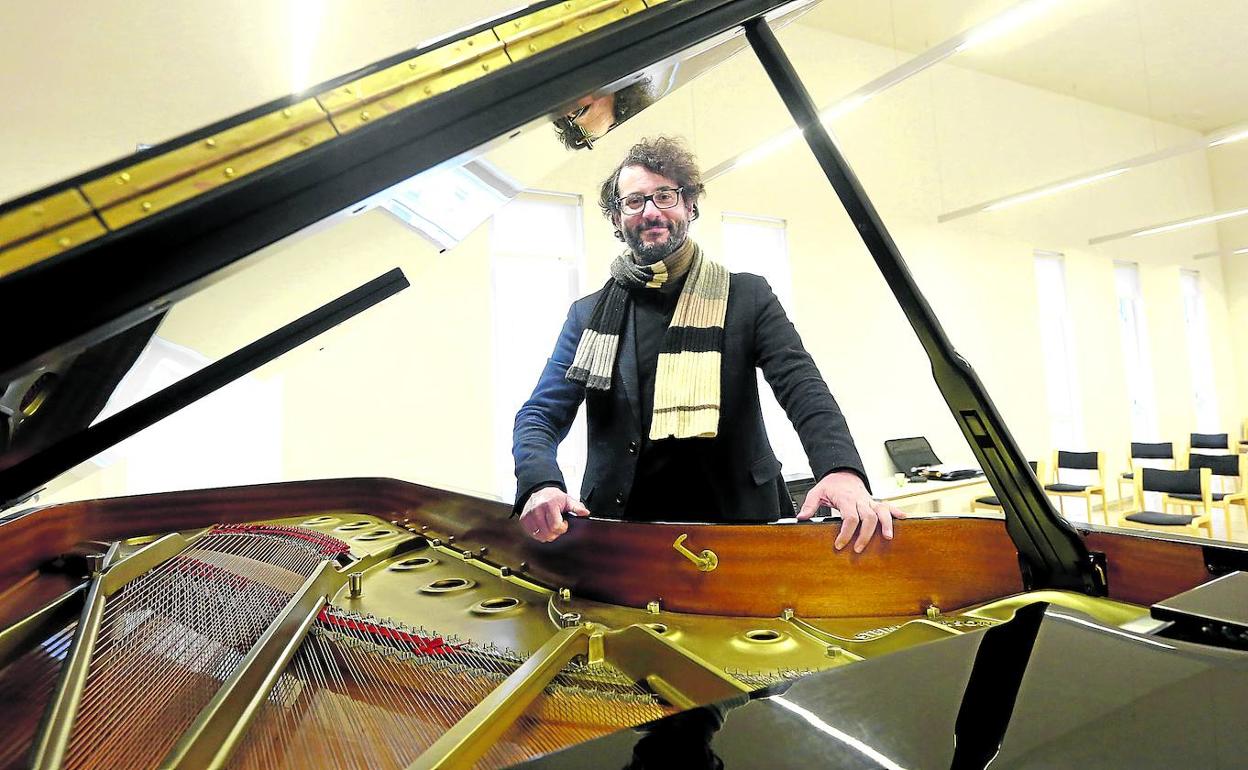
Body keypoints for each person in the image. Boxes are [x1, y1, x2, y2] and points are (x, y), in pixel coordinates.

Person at [512, 136, 903, 551]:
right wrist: (540, 483)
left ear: (690, 206)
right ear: (616, 218)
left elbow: (803, 388)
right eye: (634, 202)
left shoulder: (747, 297)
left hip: (739, 526)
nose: (650, 212)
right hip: (625, 531)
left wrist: (841, 471)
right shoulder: (587, 314)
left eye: (665, 195)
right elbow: (540, 414)